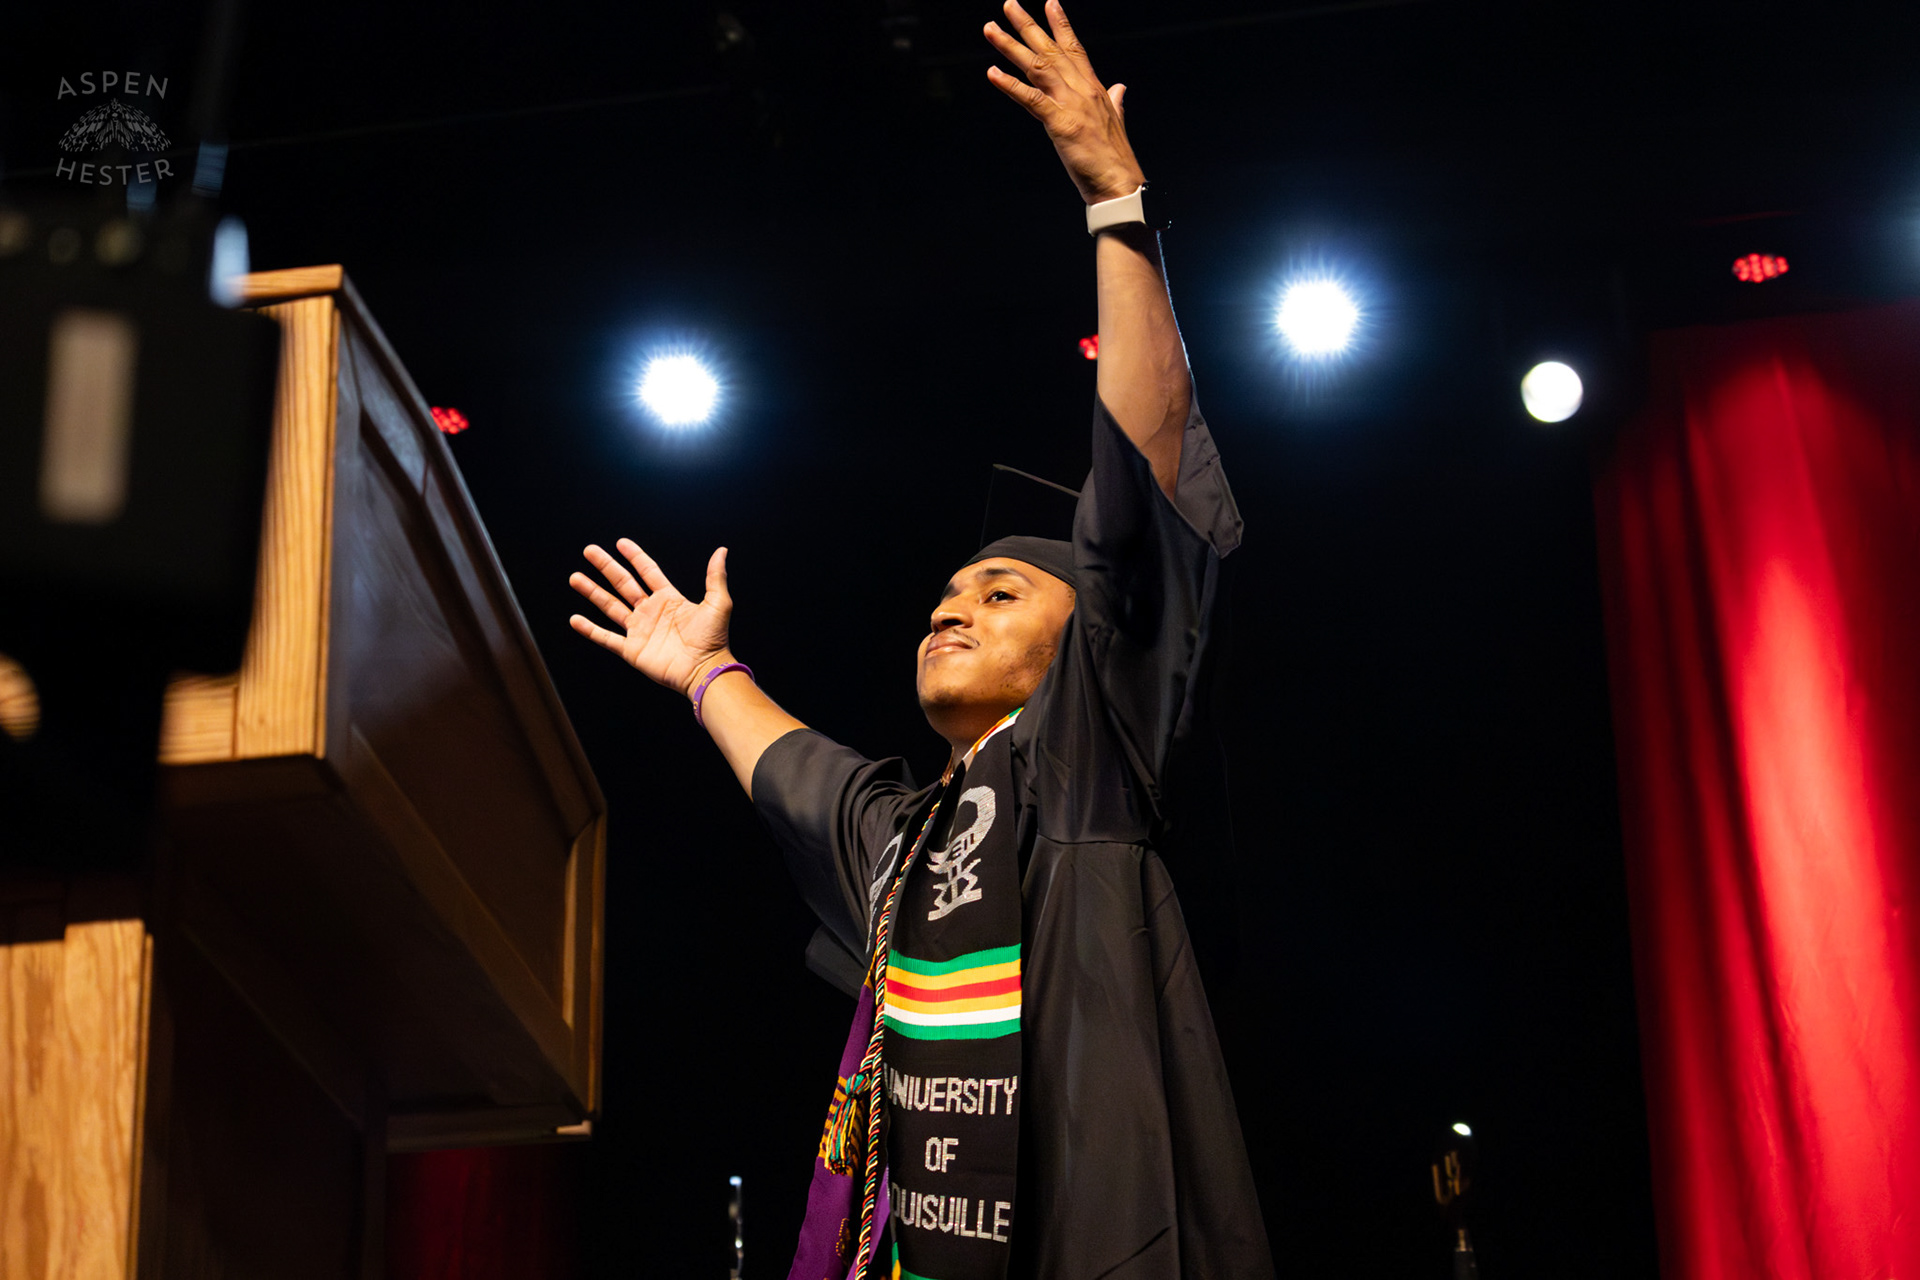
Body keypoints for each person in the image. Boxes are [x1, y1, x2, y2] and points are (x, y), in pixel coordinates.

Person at [568, 3, 1273, 1275]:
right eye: (950, 591)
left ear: (1091, 640)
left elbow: (1145, 484)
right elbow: (795, 767)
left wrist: (1116, 204)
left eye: (1004, 593)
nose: (954, 606)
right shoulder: (907, 848)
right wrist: (702, 669)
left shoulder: (1088, 763)